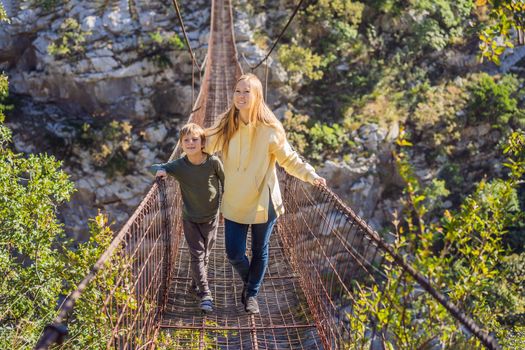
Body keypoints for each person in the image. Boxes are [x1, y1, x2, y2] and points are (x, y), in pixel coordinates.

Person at [205, 73, 326, 314]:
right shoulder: (226, 126)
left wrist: (311, 175)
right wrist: (174, 167)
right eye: (237, 91)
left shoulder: (270, 130)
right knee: (234, 253)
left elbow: (289, 160)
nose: (240, 96)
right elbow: (202, 145)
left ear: (257, 96)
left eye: (246, 91)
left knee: (260, 250)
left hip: (264, 200)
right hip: (235, 200)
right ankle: (252, 281)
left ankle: (251, 294)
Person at [151, 123, 224, 313]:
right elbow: (155, 166)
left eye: (194, 139)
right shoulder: (180, 166)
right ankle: (206, 294)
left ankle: (195, 284)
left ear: (202, 143)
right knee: (198, 255)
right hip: (190, 218)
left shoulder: (213, 162)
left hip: (212, 217)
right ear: (181, 144)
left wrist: (225, 208)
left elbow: (226, 182)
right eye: (186, 140)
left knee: (206, 255)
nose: (190, 143)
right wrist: (161, 170)